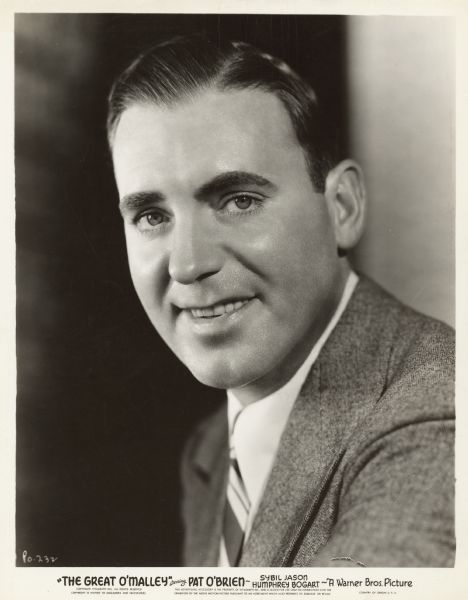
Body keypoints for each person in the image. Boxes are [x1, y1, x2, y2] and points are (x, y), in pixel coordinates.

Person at [106, 34, 455, 567]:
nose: (186, 264)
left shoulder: (438, 411)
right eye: (152, 217)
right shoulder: (209, 450)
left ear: (342, 206)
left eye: (238, 201)